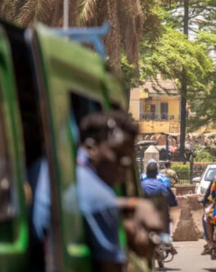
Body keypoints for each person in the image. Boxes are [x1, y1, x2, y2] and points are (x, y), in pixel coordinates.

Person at [32, 110, 164, 271]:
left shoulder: (43, 167)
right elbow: (111, 268)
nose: (126, 162)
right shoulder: (100, 198)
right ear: (91, 148)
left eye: (129, 155)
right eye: (118, 153)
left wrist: (131, 204)